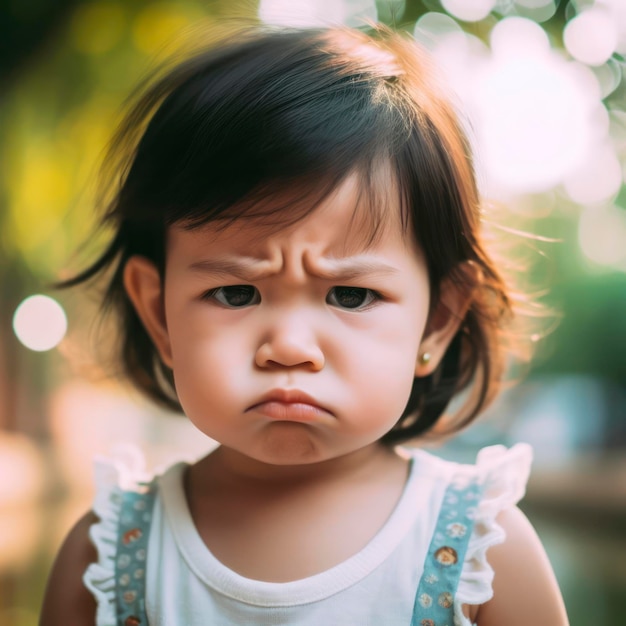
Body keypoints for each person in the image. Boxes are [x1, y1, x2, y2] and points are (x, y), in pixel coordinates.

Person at [40, 24, 569, 626]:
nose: (289, 347)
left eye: (350, 294)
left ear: (438, 320)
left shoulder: (482, 555)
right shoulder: (109, 558)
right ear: (158, 312)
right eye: (235, 292)